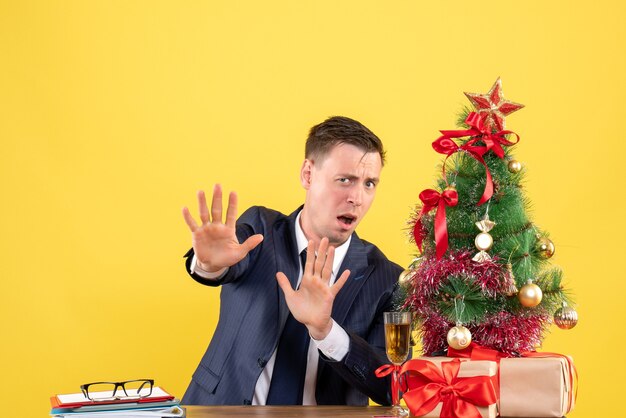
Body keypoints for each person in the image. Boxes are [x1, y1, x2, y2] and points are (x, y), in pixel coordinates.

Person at [180, 116, 403, 406]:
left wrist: (326, 331)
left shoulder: (387, 280)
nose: (357, 198)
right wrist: (210, 265)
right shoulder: (260, 228)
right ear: (308, 175)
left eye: (369, 183)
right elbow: (229, 264)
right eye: (344, 180)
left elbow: (392, 386)